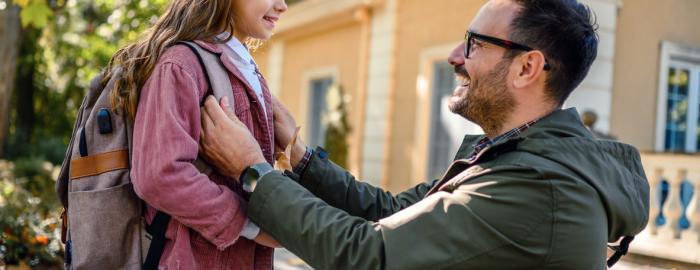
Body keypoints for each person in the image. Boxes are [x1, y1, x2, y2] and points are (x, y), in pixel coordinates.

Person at [199, 0, 649, 269]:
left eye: (475, 43)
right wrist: (299, 158)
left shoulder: (539, 187)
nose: (456, 56)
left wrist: (253, 172)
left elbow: (369, 254)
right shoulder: (509, 156)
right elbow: (395, 212)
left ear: (527, 67)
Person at [103, 0, 287, 269]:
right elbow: (159, 176)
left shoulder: (243, 66)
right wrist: (250, 224)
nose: (282, 5)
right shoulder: (180, 66)